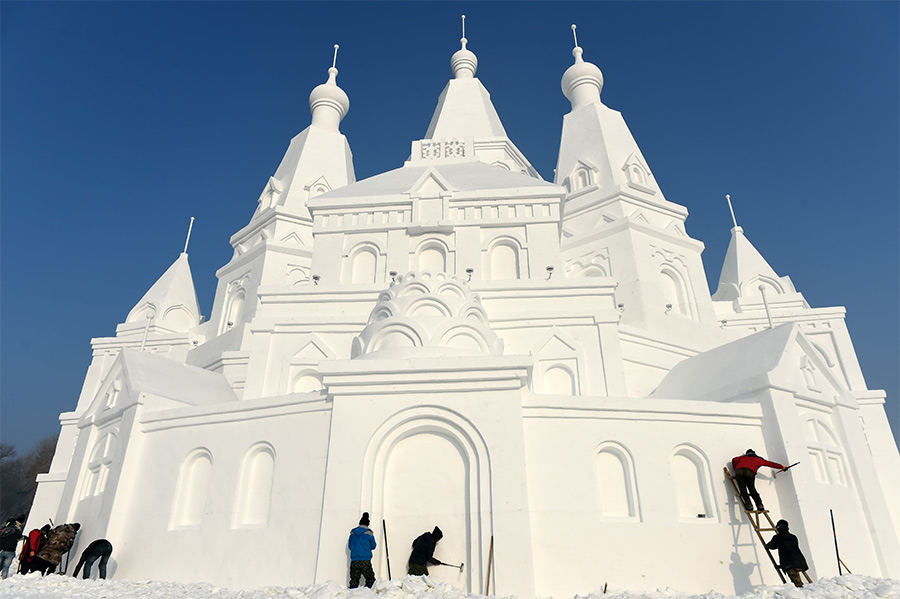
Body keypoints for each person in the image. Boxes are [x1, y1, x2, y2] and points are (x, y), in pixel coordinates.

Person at [766, 519, 809, 587]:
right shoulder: (793, 537)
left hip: (789, 563)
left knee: (797, 583)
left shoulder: (778, 537)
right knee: (797, 576)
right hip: (800, 561)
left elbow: (771, 546)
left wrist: (767, 545)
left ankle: (802, 593)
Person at [347, 512, 376, 588]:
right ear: (367, 523)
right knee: (370, 579)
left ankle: (352, 594)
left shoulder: (352, 533)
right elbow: (373, 546)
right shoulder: (369, 533)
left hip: (354, 560)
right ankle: (368, 593)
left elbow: (350, 546)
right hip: (365, 560)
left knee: (354, 580)